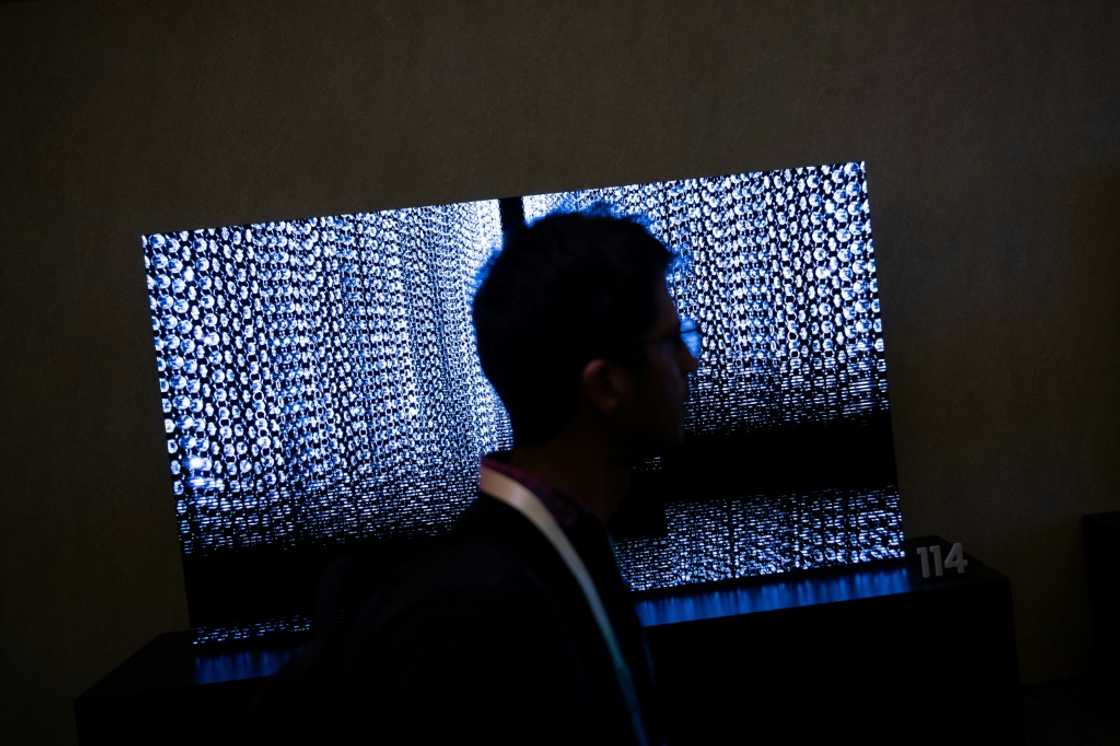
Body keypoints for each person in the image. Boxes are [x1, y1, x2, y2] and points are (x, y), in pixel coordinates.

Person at [255, 203, 699, 745]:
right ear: (605, 385)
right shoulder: (473, 616)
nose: (688, 363)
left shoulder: (551, 548)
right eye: (670, 340)